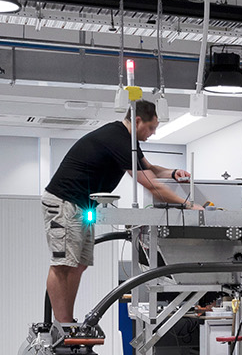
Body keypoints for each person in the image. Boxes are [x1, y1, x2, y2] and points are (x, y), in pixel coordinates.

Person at [42, 101, 198, 332]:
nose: (153, 133)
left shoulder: (129, 141)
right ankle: (63, 325)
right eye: (151, 127)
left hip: (81, 205)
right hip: (64, 202)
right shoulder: (118, 139)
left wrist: (173, 173)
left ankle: (67, 321)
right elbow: (150, 185)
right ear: (137, 121)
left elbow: (150, 169)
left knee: (79, 264)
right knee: (63, 264)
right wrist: (189, 205)